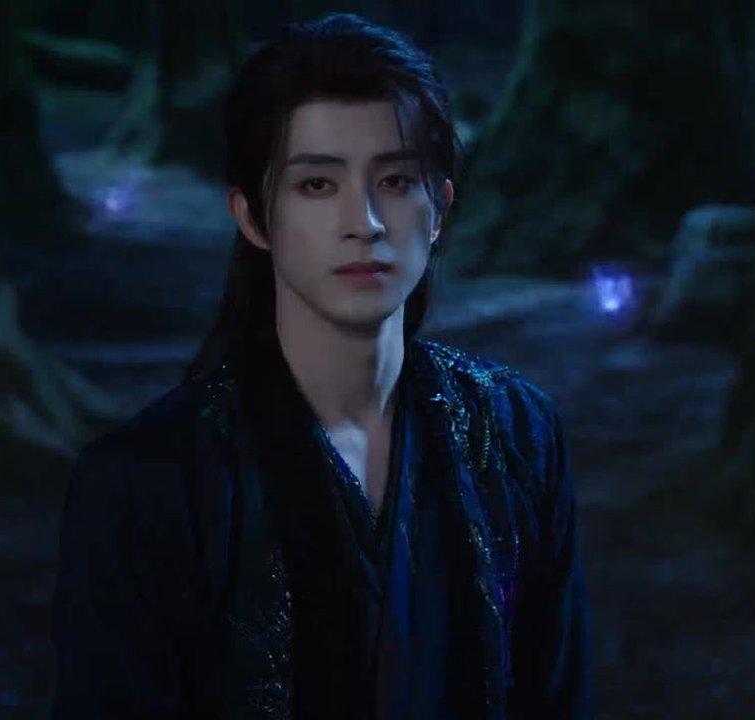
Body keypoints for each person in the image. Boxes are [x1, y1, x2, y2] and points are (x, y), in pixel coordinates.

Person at [52, 14, 589, 719]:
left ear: (438, 208)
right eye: (316, 185)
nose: (364, 221)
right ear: (253, 217)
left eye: (395, 180)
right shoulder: (146, 482)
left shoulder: (517, 434)